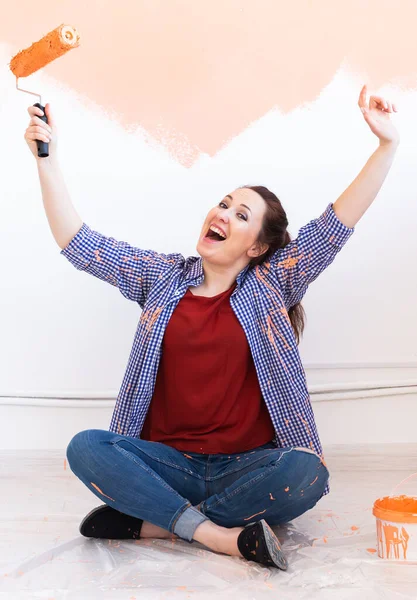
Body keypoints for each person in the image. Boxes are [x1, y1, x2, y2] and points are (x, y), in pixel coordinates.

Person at [24, 85, 399, 569]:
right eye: (223, 204)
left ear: (257, 248)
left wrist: (386, 145)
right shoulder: (161, 278)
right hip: (168, 465)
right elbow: (78, 242)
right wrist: (45, 160)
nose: (222, 214)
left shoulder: (272, 283)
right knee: (87, 448)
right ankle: (220, 535)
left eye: (241, 215)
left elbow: (338, 223)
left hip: (246, 466)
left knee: (307, 471)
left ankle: (159, 523)